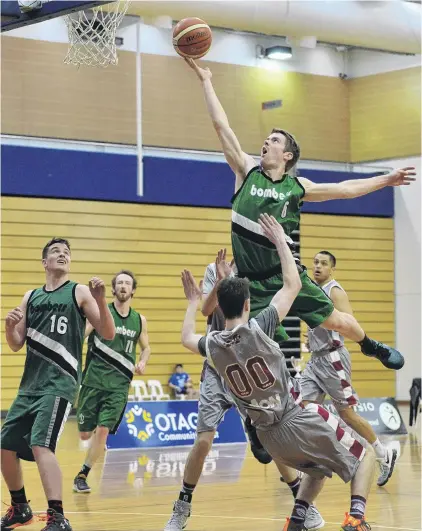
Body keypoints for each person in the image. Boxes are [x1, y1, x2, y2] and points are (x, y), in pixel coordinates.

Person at [183, 57, 416, 371]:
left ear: (287, 155)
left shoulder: (297, 186)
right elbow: (221, 126)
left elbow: (346, 189)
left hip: (285, 275)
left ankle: (369, 345)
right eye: (267, 138)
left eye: (274, 140)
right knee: (237, 341)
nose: (266, 141)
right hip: (251, 282)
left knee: (338, 322)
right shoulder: (246, 170)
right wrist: (205, 81)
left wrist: (386, 179)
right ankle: (256, 412)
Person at [180, 214, 376, 531]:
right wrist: (283, 243)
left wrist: (192, 302)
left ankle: (297, 519)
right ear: (248, 305)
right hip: (294, 415)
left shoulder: (213, 346)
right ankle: (357, 518)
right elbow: (293, 284)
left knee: (316, 468)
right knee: (365, 456)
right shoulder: (260, 327)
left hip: (269, 439)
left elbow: (186, 338)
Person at [164, 249, 322, 531]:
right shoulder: (215, 267)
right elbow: (206, 309)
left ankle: (302, 503)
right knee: (203, 440)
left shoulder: (262, 272)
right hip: (218, 361)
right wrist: (222, 283)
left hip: (248, 360)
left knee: (270, 438)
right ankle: (182, 506)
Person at [2, 238, 115, 531]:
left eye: (66, 252)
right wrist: (8, 326)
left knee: (41, 444)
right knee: (4, 445)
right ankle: (20, 507)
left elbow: (108, 332)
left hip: (60, 383)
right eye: (56, 251)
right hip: (30, 385)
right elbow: (16, 344)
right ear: (44, 262)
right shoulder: (31, 296)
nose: (62, 255)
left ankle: (57, 516)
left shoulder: (78, 292)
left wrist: (101, 299)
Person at [300, 251, 400, 487]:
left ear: (332, 269)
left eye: (323, 264)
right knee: (301, 408)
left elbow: (350, 324)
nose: (317, 267)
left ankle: (383, 454)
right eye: (315, 262)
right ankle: (313, 460)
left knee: (347, 414)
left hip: (334, 358)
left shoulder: (335, 290)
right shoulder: (314, 290)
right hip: (315, 360)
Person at [73, 269, 150, 494]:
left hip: (119, 385)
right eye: (120, 283)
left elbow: (146, 348)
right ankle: (93, 442)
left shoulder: (139, 320)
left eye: (128, 283)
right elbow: (81, 336)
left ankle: (82, 475)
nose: (124, 286)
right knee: (85, 433)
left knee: (103, 430)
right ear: (113, 289)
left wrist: (143, 361)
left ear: (133, 290)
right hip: (93, 381)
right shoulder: (100, 313)